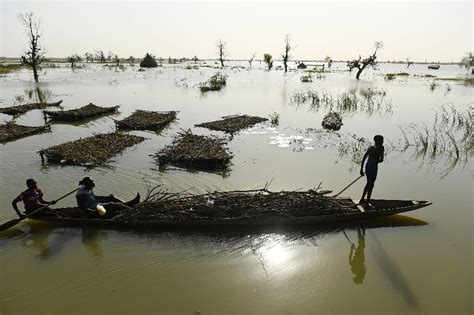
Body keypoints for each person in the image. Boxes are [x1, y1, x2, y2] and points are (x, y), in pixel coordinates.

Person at [359, 135, 384, 207]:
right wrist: (377, 160)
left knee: (368, 183)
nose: (382, 142)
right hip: (373, 167)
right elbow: (381, 159)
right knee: (371, 185)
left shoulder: (370, 148)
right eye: (382, 140)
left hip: (368, 166)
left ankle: (362, 199)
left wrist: (361, 169)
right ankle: (367, 203)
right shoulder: (381, 148)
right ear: (378, 141)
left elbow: (364, 157)